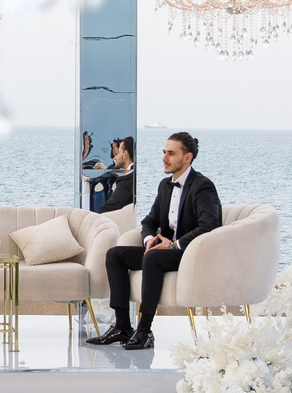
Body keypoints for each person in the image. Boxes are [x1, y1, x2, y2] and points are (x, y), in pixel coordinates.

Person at [92, 132, 220, 350]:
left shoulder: (202, 186)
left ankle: (144, 330)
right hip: (161, 251)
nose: (164, 158)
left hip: (188, 253)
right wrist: (149, 239)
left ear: (187, 158)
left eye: (171, 153)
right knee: (115, 255)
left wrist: (173, 244)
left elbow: (209, 226)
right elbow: (149, 220)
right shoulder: (165, 185)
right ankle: (122, 326)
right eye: (164, 152)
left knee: (153, 258)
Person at [90, 136, 138, 214]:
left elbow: (111, 206)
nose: (114, 157)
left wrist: (90, 217)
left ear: (125, 154)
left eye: (118, 152)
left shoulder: (127, 181)